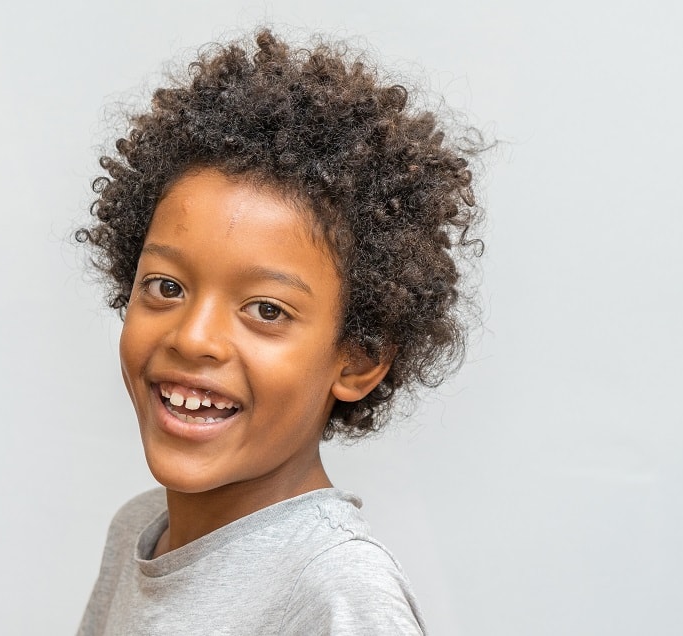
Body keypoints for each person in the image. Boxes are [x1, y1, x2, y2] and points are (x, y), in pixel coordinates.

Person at [75, 28, 484, 635]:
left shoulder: (336, 592)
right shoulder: (138, 529)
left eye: (266, 310)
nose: (194, 338)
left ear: (357, 360)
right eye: (166, 287)